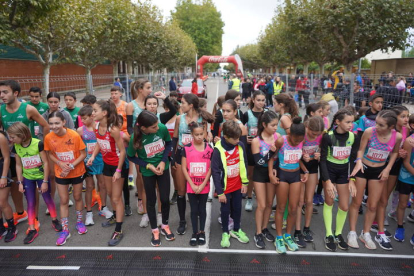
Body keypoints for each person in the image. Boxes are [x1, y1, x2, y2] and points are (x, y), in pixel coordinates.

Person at [0, 80, 50, 228]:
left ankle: (33, 218)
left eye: (5, 92)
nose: (1, 95)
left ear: (15, 93)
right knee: (16, 185)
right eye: (0, 92)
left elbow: (45, 126)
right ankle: (21, 213)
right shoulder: (1, 110)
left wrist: (42, 146)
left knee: (30, 187)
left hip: (29, 154)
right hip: (11, 155)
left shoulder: (28, 109)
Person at [349, 110, 401, 250]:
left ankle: (365, 234)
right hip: (363, 168)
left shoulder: (397, 137)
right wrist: (359, 161)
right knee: (357, 202)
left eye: (381, 125)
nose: (376, 126)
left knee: (372, 205)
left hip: (379, 171)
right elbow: (360, 150)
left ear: (391, 127)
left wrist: (387, 168)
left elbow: (395, 152)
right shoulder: (369, 132)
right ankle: (352, 233)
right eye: (376, 123)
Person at [127, 110, 174, 246]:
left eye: (157, 125)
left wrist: (163, 161)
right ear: (143, 128)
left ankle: (165, 226)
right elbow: (131, 156)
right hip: (148, 173)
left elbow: (169, 144)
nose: (157, 128)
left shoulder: (162, 128)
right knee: (151, 201)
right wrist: (148, 166)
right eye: (153, 127)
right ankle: (154, 230)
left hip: (163, 169)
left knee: (165, 199)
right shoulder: (134, 138)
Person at [9, 122, 62, 244]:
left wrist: (44, 181)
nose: (10, 139)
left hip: (41, 176)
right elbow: (18, 164)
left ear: (21, 135)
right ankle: (32, 228)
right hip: (27, 177)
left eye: (13, 137)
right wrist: (20, 182)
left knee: (47, 198)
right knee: (30, 202)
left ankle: (54, 220)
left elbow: (46, 162)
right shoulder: (16, 146)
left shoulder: (38, 143)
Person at [172, 93, 214, 235]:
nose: (180, 105)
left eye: (182, 103)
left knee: (197, 188)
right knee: (181, 191)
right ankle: (182, 221)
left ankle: (197, 216)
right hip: (181, 156)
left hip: (198, 158)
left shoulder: (202, 120)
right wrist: (173, 158)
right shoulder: (179, 118)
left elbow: (205, 138)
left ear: (190, 105)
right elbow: (175, 138)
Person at [44, 111, 87, 246]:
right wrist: (60, 163)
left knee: (78, 196)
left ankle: (79, 222)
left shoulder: (74, 135)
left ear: (63, 122)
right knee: (63, 200)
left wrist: (71, 165)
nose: (54, 126)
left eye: (57, 123)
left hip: (77, 171)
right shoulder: (48, 137)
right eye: (51, 123)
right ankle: (65, 229)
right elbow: (50, 154)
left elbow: (83, 154)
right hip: (60, 172)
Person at [320, 108, 359, 252]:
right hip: (329, 172)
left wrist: (352, 179)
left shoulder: (353, 137)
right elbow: (322, 161)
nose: (351, 125)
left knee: (344, 205)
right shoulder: (328, 137)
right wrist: (327, 181)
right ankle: (329, 234)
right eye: (347, 122)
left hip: (343, 173)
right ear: (337, 122)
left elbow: (353, 159)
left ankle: (338, 233)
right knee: (329, 201)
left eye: (352, 122)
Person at [87, 100, 126, 246]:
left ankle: (119, 229)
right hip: (107, 164)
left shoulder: (113, 129)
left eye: (95, 110)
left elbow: (122, 152)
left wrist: (119, 170)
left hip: (118, 165)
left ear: (104, 113)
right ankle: (116, 216)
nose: (92, 113)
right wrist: (92, 156)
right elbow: (99, 142)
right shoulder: (96, 125)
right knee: (109, 193)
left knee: (116, 198)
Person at [270, 117, 307, 254]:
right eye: (295, 140)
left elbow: (299, 158)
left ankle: (288, 235)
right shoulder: (282, 140)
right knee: (280, 208)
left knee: (293, 208)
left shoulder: (301, 141)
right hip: (283, 175)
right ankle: (279, 237)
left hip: (295, 175)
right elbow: (271, 157)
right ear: (290, 134)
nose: (297, 142)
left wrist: (306, 171)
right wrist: (270, 174)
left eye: (300, 140)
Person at [212, 120, 250, 248]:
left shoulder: (240, 145)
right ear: (226, 137)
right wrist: (220, 191)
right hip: (225, 188)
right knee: (225, 210)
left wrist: (245, 183)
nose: (238, 140)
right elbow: (215, 172)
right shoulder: (217, 150)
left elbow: (244, 163)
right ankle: (225, 232)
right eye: (235, 139)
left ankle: (236, 229)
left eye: (239, 137)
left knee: (238, 208)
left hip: (237, 185)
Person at [181, 122, 213, 246]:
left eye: (201, 134)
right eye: (196, 135)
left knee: (202, 209)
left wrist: (203, 184)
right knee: (194, 210)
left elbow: (210, 169)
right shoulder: (187, 148)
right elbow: (184, 168)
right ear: (192, 135)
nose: (199, 137)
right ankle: (195, 232)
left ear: (205, 133)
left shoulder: (210, 149)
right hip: (191, 186)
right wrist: (192, 185)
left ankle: (202, 232)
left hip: (204, 186)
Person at [294, 116, 324, 247]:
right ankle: (297, 230)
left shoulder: (321, 136)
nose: (315, 136)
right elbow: (295, 153)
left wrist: (319, 155)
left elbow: (322, 151)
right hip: (301, 169)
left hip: (312, 169)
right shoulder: (302, 135)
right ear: (307, 128)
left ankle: (306, 228)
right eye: (313, 133)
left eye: (317, 134)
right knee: (299, 201)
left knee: (309, 200)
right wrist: (302, 157)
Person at [251, 111, 279, 249]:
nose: (275, 128)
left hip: (272, 175)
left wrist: (275, 170)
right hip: (260, 175)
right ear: (264, 125)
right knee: (261, 205)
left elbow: (280, 158)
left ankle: (264, 228)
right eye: (273, 125)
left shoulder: (278, 137)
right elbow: (259, 162)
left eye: (276, 125)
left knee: (269, 204)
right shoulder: (256, 141)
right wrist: (271, 152)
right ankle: (258, 232)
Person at [77, 105, 109, 226]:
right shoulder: (80, 130)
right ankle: (89, 213)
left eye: (85, 118)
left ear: (92, 117)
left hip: (100, 160)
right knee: (89, 186)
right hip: (87, 162)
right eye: (82, 118)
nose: (83, 121)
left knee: (102, 184)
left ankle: (104, 208)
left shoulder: (99, 128)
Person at [127, 79, 151, 218]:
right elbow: (129, 127)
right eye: (148, 87)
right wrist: (136, 139)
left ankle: (150, 199)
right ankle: (141, 200)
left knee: (150, 173)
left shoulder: (150, 102)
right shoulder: (131, 105)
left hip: (151, 143)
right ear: (140, 89)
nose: (150, 90)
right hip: (139, 143)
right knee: (141, 174)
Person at [242, 91, 266, 210]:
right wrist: (245, 137)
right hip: (250, 148)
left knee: (263, 173)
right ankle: (250, 198)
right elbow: (242, 128)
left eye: (263, 100)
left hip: (264, 149)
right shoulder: (247, 114)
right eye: (258, 100)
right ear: (253, 100)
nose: (261, 102)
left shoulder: (267, 114)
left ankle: (263, 199)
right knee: (251, 174)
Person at [394, 129, 414, 245]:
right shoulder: (409, 140)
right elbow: (406, 163)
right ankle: (400, 227)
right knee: (402, 204)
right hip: (406, 177)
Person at [0, 119, 12, 242]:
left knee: (2, 202)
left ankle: (11, 228)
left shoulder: (1, 137)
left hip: (1, 168)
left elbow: (6, 158)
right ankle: (1, 227)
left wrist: (3, 176)